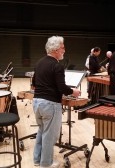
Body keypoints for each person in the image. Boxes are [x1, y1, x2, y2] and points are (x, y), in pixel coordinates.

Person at [32, 35, 81, 168]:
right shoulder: (57, 66)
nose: (64, 51)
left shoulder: (39, 62)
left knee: (42, 131)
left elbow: (34, 84)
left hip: (36, 102)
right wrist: (74, 92)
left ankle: (37, 160)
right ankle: (46, 164)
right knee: (50, 136)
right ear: (55, 49)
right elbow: (62, 88)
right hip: (50, 105)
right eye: (62, 48)